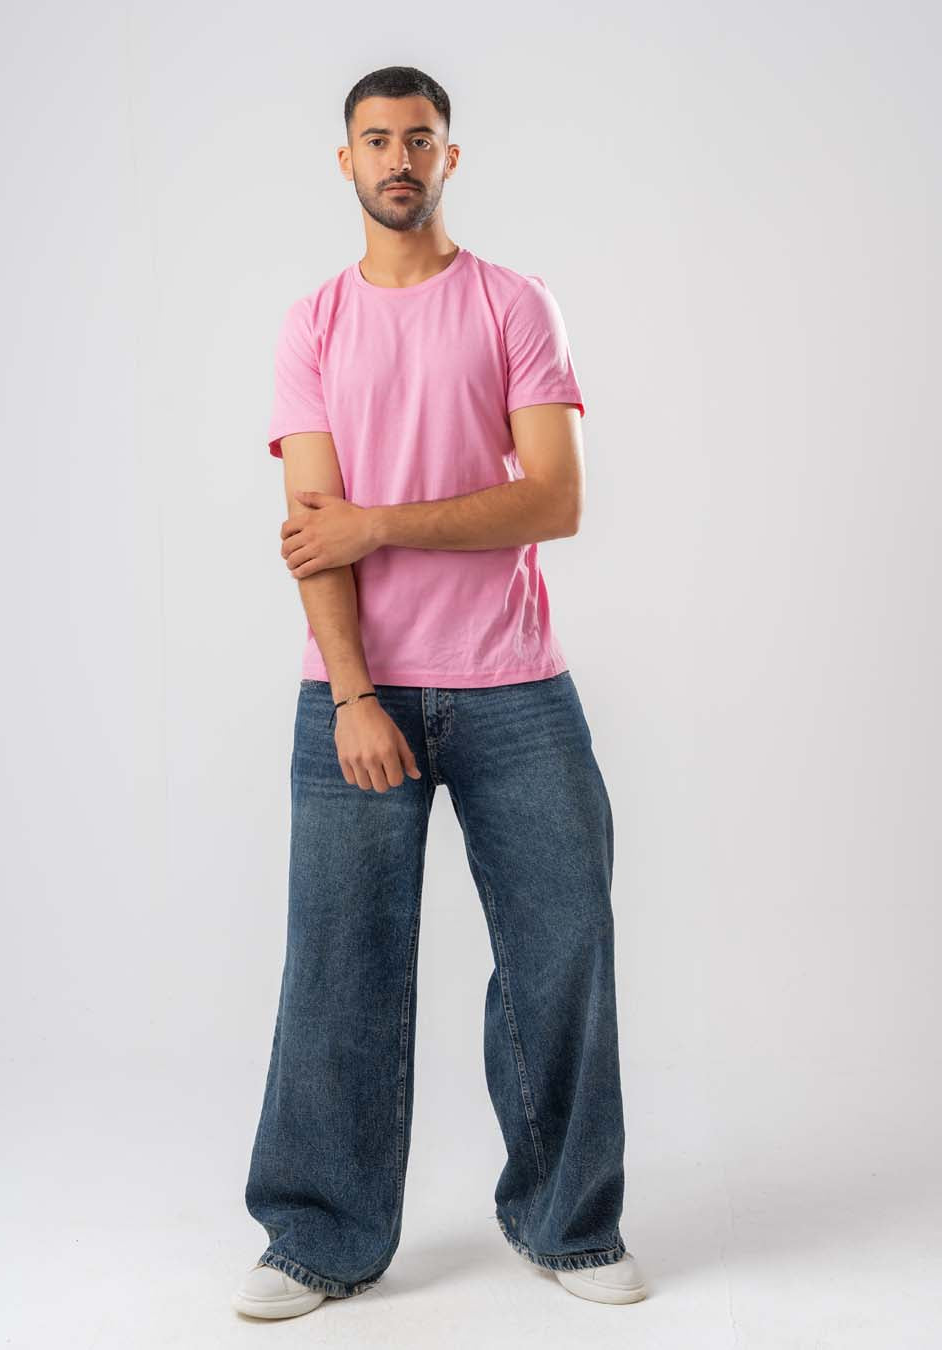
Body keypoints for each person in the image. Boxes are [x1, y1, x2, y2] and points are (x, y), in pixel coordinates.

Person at [232, 64, 648, 1321]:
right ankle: (317, 1239)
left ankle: (569, 1224)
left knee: (564, 946)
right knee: (339, 967)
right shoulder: (313, 324)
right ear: (346, 161)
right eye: (376, 140)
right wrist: (354, 695)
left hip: (514, 684)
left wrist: (381, 523)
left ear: (449, 158)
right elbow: (312, 531)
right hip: (358, 692)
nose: (398, 158)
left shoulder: (515, 303)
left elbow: (554, 499)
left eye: (419, 138)